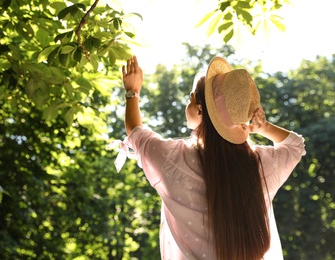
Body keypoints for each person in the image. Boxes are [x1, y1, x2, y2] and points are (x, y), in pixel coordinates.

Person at [117, 55, 306, 260]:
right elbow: (295, 146)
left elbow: (135, 131)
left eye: (190, 98)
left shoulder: (174, 159)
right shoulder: (260, 164)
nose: (187, 104)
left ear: (200, 110)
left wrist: (132, 92)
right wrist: (264, 127)